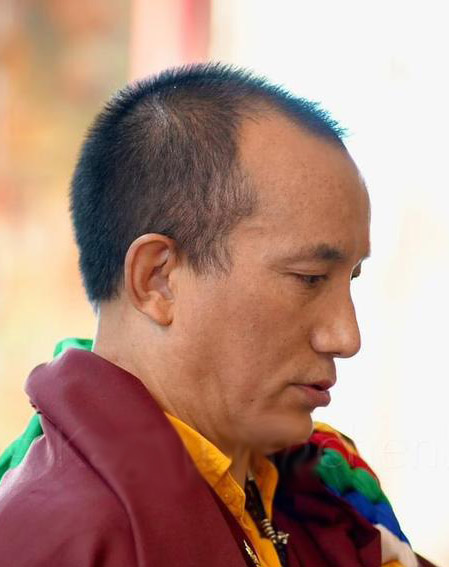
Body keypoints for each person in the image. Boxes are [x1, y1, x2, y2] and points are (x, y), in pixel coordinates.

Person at [0, 64, 428, 567]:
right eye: (310, 278)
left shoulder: (334, 492)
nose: (347, 337)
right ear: (158, 279)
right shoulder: (59, 540)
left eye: (350, 278)